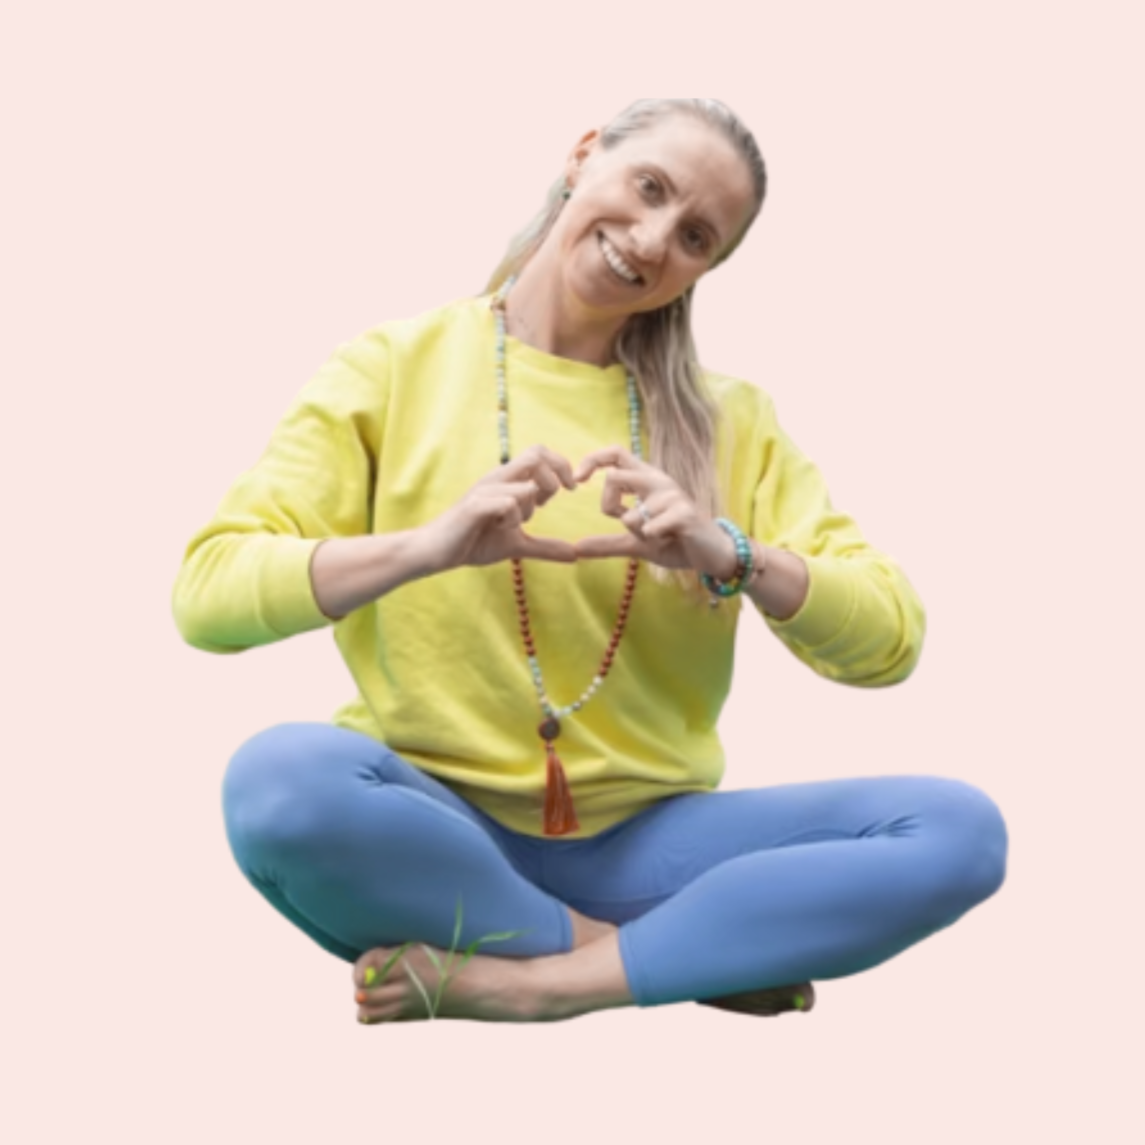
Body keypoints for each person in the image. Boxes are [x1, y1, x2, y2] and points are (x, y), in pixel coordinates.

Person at [172, 98, 1008, 1026]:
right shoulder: (390, 365)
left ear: (708, 268)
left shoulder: (731, 421)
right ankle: (661, 955)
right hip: (424, 834)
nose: (650, 241)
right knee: (280, 781)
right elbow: (208, 597)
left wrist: (725, 550)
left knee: (958, 830)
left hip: (654, 848)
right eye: (647, 188)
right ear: (582, 155)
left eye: (694, 236)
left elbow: (889, 640)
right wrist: (426, 547)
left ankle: (536, 981)